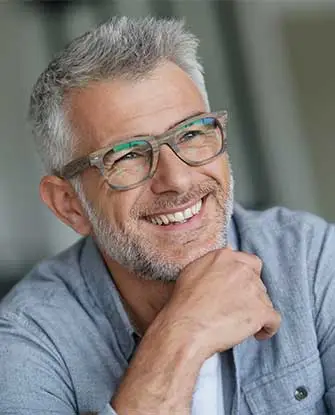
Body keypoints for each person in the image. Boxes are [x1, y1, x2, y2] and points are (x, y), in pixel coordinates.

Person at [0, 15, 334, 415]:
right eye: (127, 155)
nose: (175, 179)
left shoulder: (311, 260)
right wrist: (182, 335)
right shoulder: (27, 338)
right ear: (69, 204)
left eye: (191, 133)